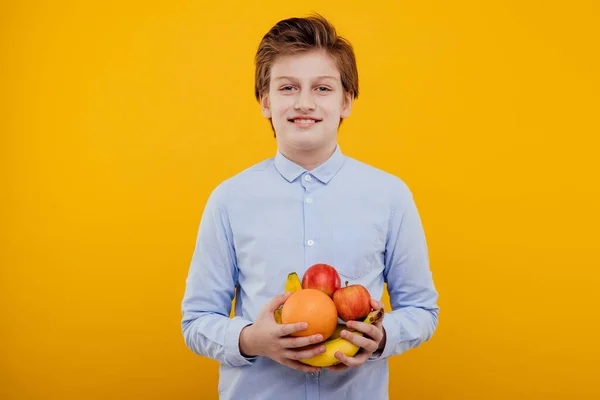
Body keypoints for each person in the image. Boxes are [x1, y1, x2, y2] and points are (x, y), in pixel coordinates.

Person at [181, 13, 439, 400]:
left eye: (322, 88)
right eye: (287, 88)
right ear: (265, 101)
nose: (304, 102)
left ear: (346, 100)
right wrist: (252, 339)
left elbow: (421, 308)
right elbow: (197, 320)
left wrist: (381, 337)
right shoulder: (230, 199)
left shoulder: (390, 196)